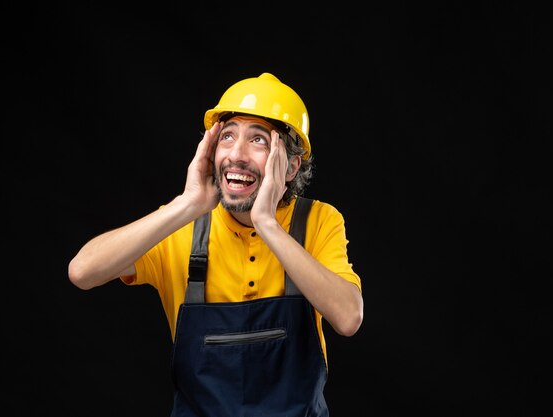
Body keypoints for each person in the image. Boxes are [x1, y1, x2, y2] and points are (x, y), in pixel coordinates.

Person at [68, 72, 364, 416]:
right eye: (227, 136)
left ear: (291, 165)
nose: (236, 154)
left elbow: (348, 317)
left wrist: (267, 224)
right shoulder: (184, 226)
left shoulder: (318, 221)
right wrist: (187, 204)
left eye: (258, 141)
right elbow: (82, 271)